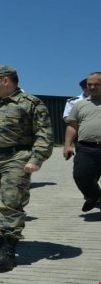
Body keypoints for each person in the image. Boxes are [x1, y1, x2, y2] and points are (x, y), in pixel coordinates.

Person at [0, 65, 53, 272]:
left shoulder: (30, 103)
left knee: (10, 204)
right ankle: (4, 232)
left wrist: (36, 158)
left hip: (16, 157)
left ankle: (8, 250)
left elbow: (44, 135)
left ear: (5, 80)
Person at [63, 72, 101, 212]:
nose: (92, 87)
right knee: (81, 176)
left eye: (96, 84)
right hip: (86, 148)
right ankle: (94, 195)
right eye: (89, 84)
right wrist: (67, 145)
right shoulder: (79, 105)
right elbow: (72, 126)